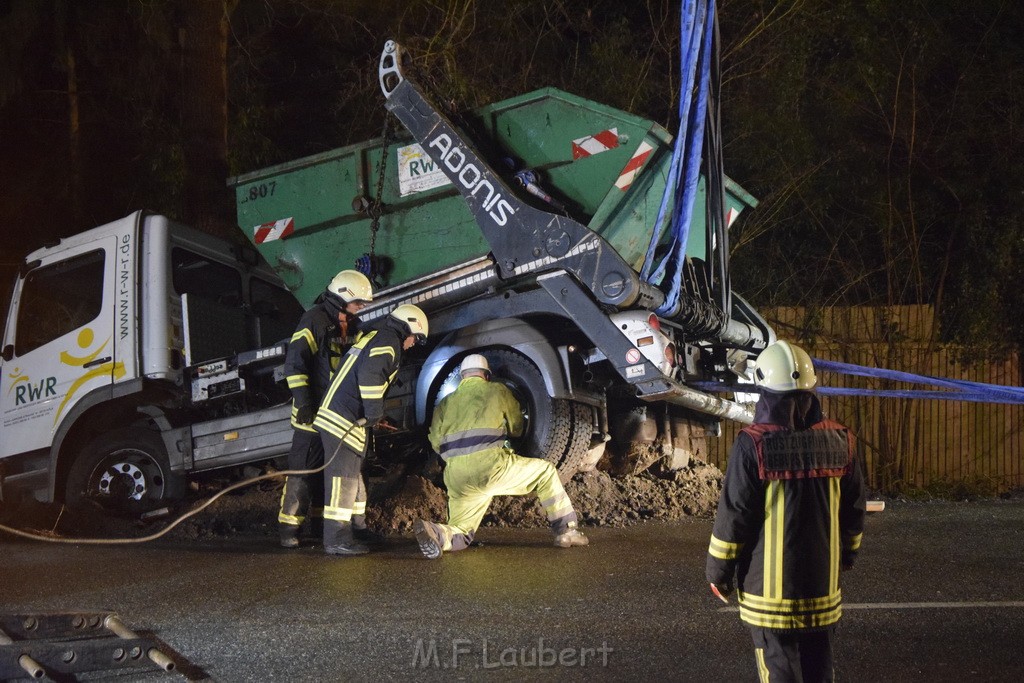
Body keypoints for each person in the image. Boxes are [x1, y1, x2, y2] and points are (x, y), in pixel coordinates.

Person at [706, 340, 866, 683]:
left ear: (763, 389)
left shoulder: (753, 444)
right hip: (823, 591)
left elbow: (734, 519)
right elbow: (853, 511)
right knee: (820, 672)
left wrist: (718, 573)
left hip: (770, 600)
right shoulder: (842, 440)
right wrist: (847, 555)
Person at [413, 353, 588, 559]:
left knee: (461, 530)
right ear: (486, 376)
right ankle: (567, 531)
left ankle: (438, 533)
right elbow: (516, 426)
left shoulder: (445, 403)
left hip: (456, 477)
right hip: (491, 468)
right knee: (546, 472)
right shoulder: (497, 390)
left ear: (462, 377)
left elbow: (435, 441)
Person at [314, 303, 429, 556]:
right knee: (342, 481)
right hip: (341, 420)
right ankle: (336, 539)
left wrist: (376, 413)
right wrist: (375, 413)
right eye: (415, 339)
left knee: (354, 479)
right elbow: (370, 375)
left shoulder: (379, 337)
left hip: (344, 418)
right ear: (409, 328)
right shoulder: (388, 342)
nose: (412, 345)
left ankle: (358, 529)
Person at [278, 270, 373, 549]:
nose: (362, 307)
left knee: (340, 472)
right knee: (303, 472)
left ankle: (335, 528)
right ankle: (288, 530)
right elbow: (295, 363)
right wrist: (305, 403)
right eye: (358, 302)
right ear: (342, 297)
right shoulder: (314, 320)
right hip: (311, 416)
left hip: (337, 415)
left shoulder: (354, 326)